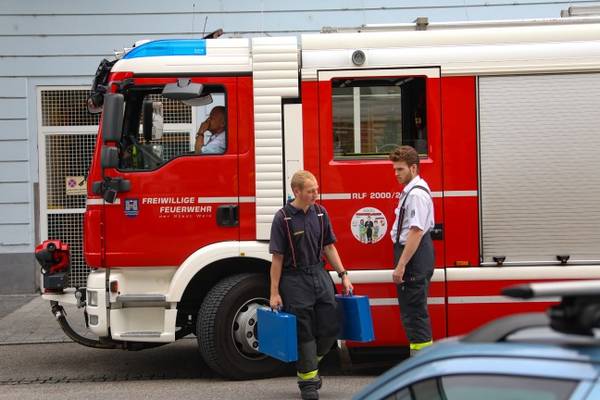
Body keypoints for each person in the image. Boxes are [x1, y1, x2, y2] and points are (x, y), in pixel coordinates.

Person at [269, 170, 353, 400]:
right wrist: (274, 292)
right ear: (296, 191)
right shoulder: (283, 218)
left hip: (319, 273)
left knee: (331, 326)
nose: (316, 194)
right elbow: (277, 258)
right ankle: (308, 384)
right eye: (311, 191)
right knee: (304, 330)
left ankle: (310, 363)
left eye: (316, 189)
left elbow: (329, 247)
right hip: (294, 279)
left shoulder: (321, 213)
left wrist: (343, 274)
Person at [389, 145, 435, 356]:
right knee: (413, 313)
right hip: (415, 255)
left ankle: (422, 365)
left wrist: (401, 266)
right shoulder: (413, 191)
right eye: (395, 169)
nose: (396, 173)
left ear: (413, 168)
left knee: (415, 315)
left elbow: (416, 231)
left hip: (414, 258)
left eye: (400, 169)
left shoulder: (416, 195)